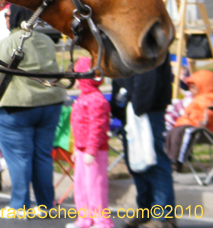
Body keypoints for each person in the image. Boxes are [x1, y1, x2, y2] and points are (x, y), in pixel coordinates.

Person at [0, 4, 66, 218]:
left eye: (7, 15)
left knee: (19, 159)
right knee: (43, 156)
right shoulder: (46, 41)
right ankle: (46, 205)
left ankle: (19, 206)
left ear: (17, 17)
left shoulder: (5, 44)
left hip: (15, 108)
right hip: (50, 104)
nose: (5, 18)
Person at [111, 55, 176, 228]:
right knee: (136, 163)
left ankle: (163, 216)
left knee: (154, 161)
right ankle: (145, 210)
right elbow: (119, 75)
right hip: (131, 110)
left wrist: (137, 107)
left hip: (148, 110)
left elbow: (147, 76)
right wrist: (119, 108)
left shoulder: (148, 44)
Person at [67, 56, 114, 228]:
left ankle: (102, 221)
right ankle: (85, 219)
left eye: (76, 77)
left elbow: (98, 127)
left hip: (94, 151)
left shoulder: (96, 100)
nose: (74, 81)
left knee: (95, 187)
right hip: (83, 150)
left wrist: (91, 149)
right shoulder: (83, 98)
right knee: (81, 186)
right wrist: (76, 149)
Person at [164, 69, 213, 168]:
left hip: (199, 127)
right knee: (172, 133)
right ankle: (168, 157)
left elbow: (209, 111)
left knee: (180, 133)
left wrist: (204, 121)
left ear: (203, 86)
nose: (191, 90)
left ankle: (176, 160)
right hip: (187, 124)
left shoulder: (207, 98)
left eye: (193, 88)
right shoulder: (197, 98)